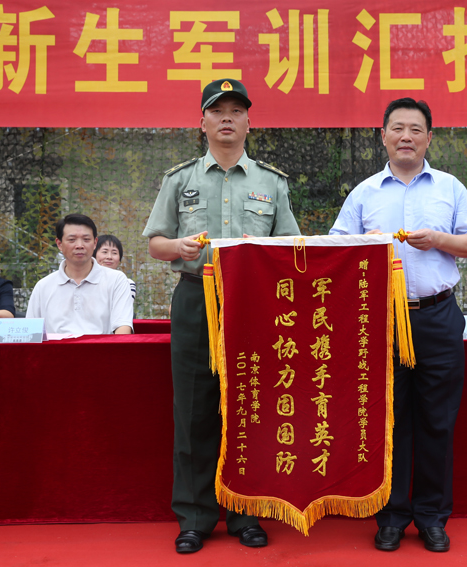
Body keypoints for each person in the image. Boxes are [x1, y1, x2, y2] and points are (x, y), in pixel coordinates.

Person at [143, 78, 300, 554]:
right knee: (194, 411)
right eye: (218, 110)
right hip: (196, 298)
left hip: (254, 304)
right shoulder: (180, 179)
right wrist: (179, 246)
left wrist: (267, 255)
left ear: (250, 122)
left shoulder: (272, 183)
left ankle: (246, 514)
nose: (227, 118)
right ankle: (194, 517)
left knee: (250, 409)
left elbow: (292, 247)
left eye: (236, 110)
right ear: (203, 122)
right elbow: (156, 243)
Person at [330, 98, 467, 553]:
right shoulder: (364, 193)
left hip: (437, 316)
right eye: (397, 128)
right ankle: (392, 517)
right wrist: (363, 246)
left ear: (429, 138)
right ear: (382, 136)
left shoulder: (449, 188)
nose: (406, 137)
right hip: (380, 318)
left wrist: (439, 240)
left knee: (438, 421)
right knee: (389, 421)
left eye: (415, 130)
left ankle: (432, 517)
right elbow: (335, 248)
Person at [26, 214, 133, 335]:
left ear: (95, 243)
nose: (80, 245)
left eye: (86, 239)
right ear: (59, 244)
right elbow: (31, 332)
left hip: (102, 347)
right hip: (57, 348)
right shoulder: (43, 286)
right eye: (72, 240)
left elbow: (123, 328)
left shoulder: (116, 280)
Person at [94, 235, 136, 301]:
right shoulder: (82, 280)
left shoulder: (127, 283)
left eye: (114, 253)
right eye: (105, 252)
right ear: (94, 255)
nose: (109, 257)